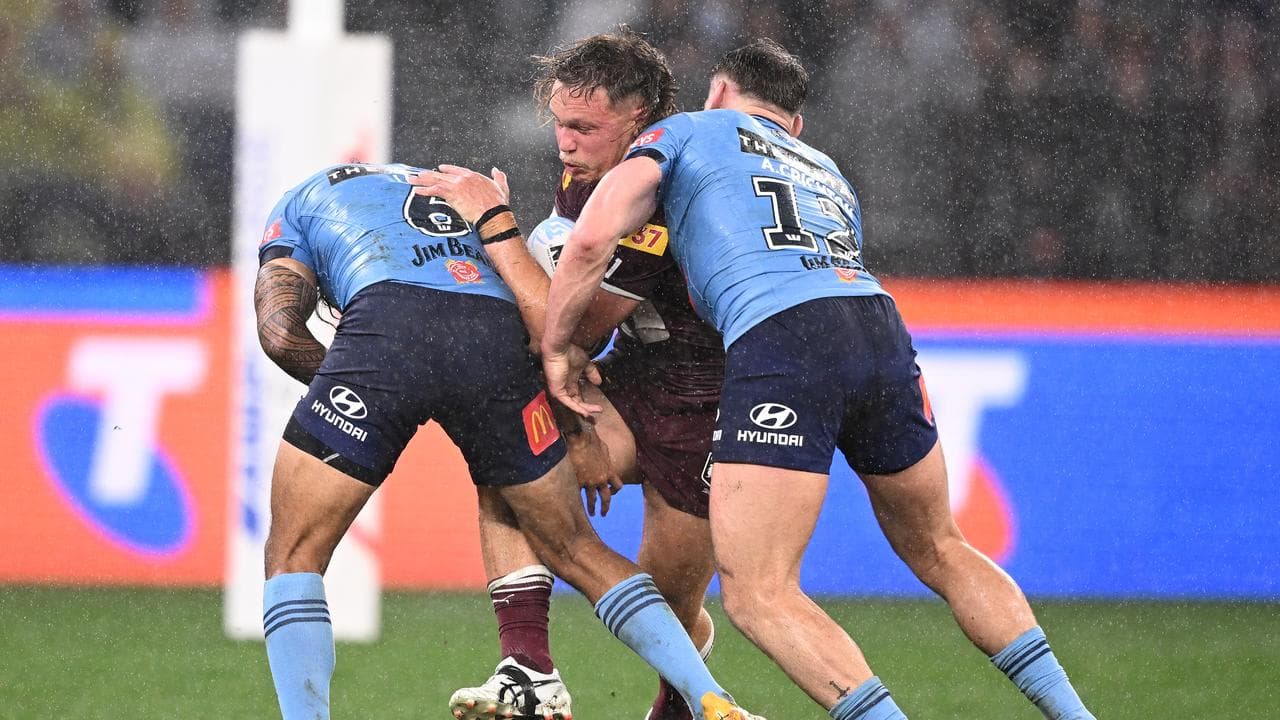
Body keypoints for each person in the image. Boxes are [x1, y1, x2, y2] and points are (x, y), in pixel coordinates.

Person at [541, 40, 1097, 720]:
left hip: (782, 335)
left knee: (760, 592)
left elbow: (594, 239)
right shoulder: (825, 169)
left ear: (716, 92)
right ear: (792, 124)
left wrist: (556, 347)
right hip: (878, 323)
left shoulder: (683, 131)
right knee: (941, 546)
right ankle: (1075, 714)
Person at [253, 161, 762, 720]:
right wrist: (575, 429)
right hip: (500, 334)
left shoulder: (298, 203)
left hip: (386, 329)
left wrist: (364, 390)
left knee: (294, 554)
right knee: (575, 547)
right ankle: (709, 695)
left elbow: (279, 332)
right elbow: (542, 323)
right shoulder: (467, 192)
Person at [420, 30, 725, 720]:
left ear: (641, 116)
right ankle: (527, 667)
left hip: (708, 407)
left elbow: (573, 326)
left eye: (585, 127)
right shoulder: (587, 171)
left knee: (669, 612)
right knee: (512, 458)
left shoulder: (670, 190)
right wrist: (578, 424)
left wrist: (495, 227)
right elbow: (566, 322)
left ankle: (680, 705)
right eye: (560, 123)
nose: (566, 142)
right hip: (634, 377)